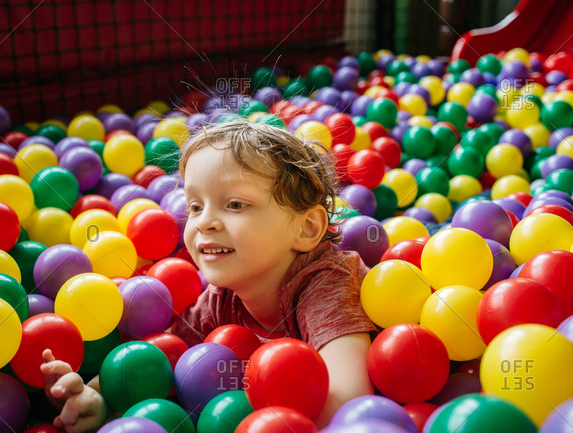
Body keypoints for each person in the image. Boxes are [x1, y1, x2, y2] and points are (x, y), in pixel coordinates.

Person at [41, 119, 376, 432]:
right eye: (195, 207)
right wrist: (96, 395)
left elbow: (347, 402)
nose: (203, 223)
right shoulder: (221, 297)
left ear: (307, 228)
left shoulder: (327, 281)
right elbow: (161, 360)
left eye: (234, 204)